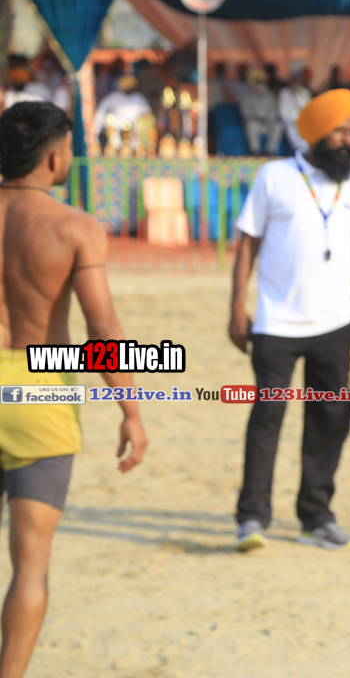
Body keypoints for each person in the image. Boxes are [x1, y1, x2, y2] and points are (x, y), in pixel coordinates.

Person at [0, 102, 148, 678]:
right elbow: (102, 328)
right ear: (55, 158)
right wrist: (131, 409)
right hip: (39, 392)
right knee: (30, 563)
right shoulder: (74, 227)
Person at [230, 89, 350, 552]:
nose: (348, 139)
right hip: (276, 324)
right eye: (339, 131)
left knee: (331, 420)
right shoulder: (274, 176)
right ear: (315, 133)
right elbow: (248, 243)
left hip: (337, 326)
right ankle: (252, 517)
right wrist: (236, 306)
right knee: (268, 418)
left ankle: (315, 518)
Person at [240, 69, 281, 156]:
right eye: (257, 82)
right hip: (255, 122)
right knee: (250, 125)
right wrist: (257, 117)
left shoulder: (270, 95)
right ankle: (255, 151)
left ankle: (270, 151)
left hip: (268, 122)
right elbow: (245, 112)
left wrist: (267, 118)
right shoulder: (247, 96)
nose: (259, 84)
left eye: (261, 82)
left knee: (278, 125)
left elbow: (274, 111)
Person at [279, 67, 313, 153]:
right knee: (292, 133)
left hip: (303, 121)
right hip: (290, 122)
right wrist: (293, 120)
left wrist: (296, 95)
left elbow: (307, 108)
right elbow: (283, 111)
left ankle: (305, 152)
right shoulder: (284, 92)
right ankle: (300, 151)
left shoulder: (305, 92)